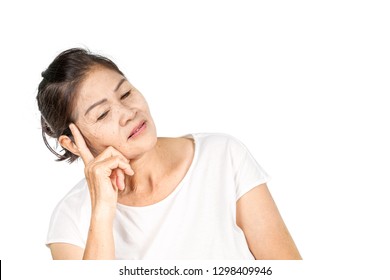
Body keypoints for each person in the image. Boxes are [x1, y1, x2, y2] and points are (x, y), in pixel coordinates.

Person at [37, 48, 301, 260]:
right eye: (103, 114)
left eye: (126, 93)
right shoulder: (71, 218)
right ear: (73, 143)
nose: (128, 113)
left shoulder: (222, 157)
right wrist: (103, 211)